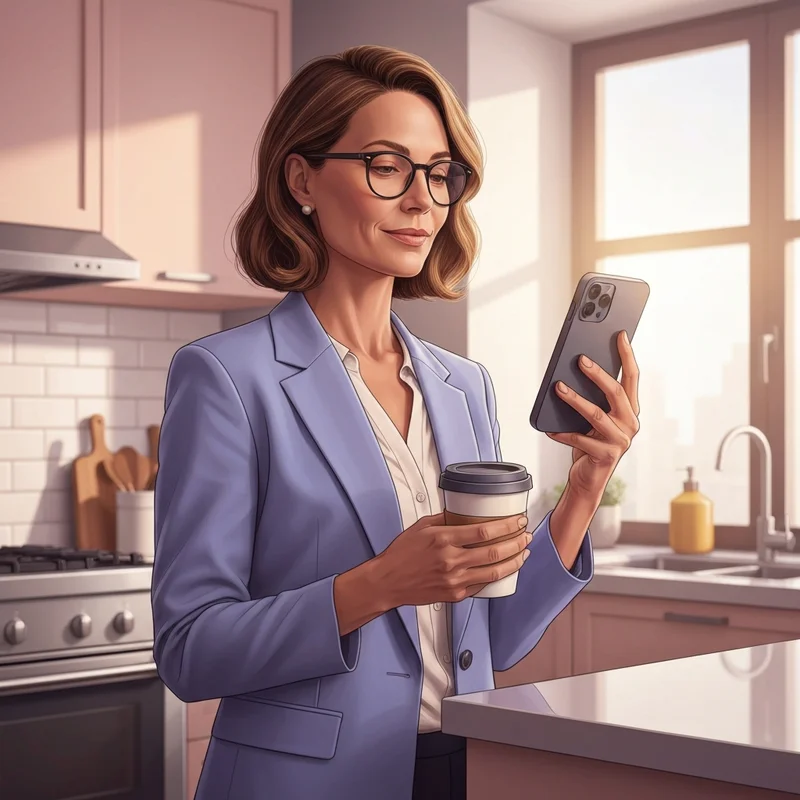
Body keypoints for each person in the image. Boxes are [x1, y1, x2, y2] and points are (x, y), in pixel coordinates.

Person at [151, 44, 641, 800]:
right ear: (302, 178)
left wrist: (584, 486)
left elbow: (495, 637)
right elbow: (191, 651)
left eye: (440, 174)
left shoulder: (463, 385)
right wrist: (375, 585)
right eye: (387, 166)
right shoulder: (226, 377)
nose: (422, 201)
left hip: (469, 768)